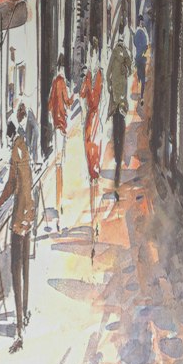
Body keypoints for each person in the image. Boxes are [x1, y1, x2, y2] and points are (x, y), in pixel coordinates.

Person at [0, 117, 34, 353]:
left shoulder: (14, 153)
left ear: (9, 135)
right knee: (25, 268)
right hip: (30, 211)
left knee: (15, 269)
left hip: (19, 217)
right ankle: (26, 313)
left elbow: (11, 185)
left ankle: (19, 328)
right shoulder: (25, 148)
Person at [107, 26, 134, 200]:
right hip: (122, 99)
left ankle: (117, 153)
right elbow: (130, 71)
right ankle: (119, 153)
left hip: (115, 99)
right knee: (121, 127)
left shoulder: (114, 56)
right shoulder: (126, 55)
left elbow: (109, 73)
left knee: (116, 126)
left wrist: (111, 90)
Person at [80, 39, 103, 240]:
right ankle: (93, 221)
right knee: (91, 175)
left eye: (92, 54)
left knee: (96, 175)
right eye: (89, 55)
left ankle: (96, 221)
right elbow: (81, 96)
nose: (91, 58)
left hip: (96, 127)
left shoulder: (99, 76)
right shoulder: (90, 77)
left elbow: (100, 102)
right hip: (90, 126)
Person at [47, 54, 72, 221]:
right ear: (63, 67)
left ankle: (58, 200)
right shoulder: (62, 82)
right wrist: (72, 99)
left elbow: (49, 105)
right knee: (60, 165)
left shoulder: (54, 83)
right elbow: (68, 102)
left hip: (55, 124)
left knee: (57, 163)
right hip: (61, 126)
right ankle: (59, 202)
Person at [134, 20, 150, 107]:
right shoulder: (144, 33)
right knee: (142, 77)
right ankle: (141, 95)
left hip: (138, 58)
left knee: (139, 76)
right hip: (142, 58)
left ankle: (140, 93)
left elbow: (135, 44)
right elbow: (147, 45)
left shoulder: (137, 33)